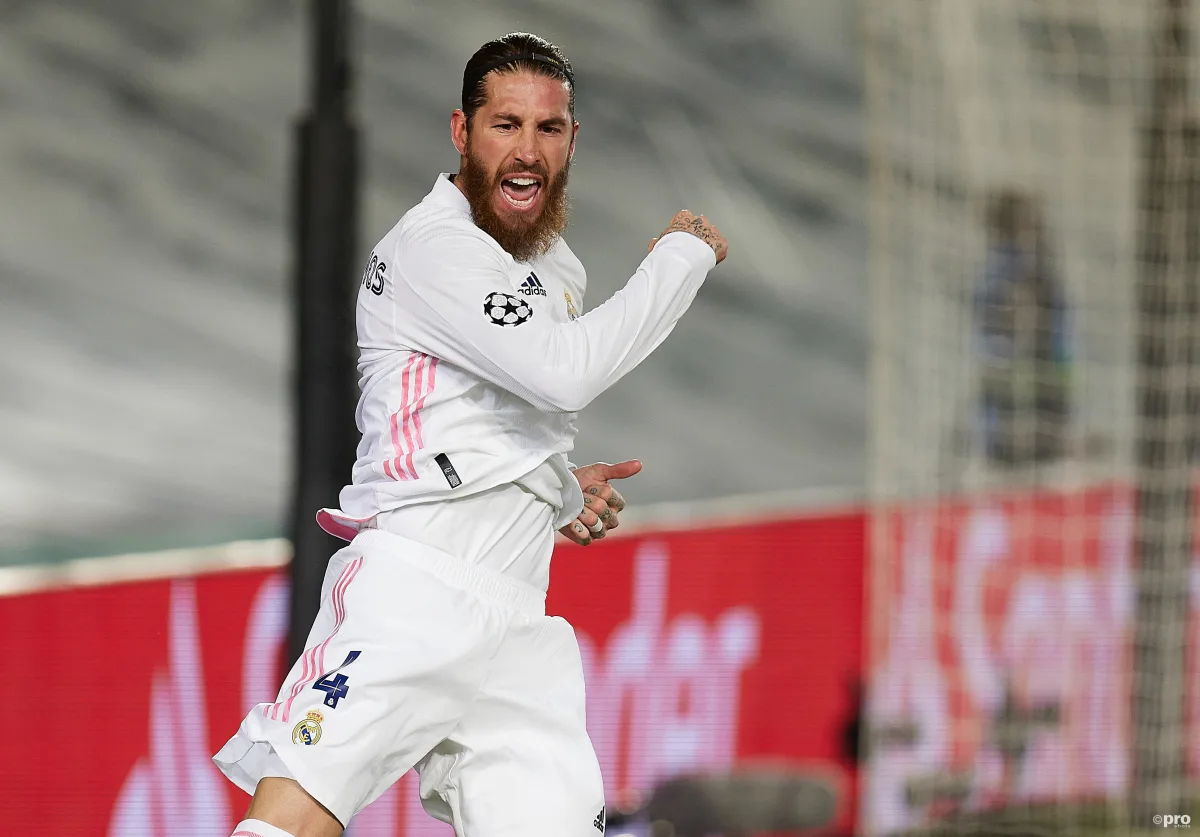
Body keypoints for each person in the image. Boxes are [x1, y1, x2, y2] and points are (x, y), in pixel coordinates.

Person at [213, 32, 728, 837]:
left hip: (518, 620)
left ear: (571, 140)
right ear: (462, 132)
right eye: (504, 125)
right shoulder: (435, 249)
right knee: (294, 820)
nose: (526, 151)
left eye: (547, 129)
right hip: (415, 591)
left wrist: (553, 488)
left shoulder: (554, 266)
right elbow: (563, 374)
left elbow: (498, 412)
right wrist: (677, 260)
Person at [974, 190, 1071, 468]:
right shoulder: (998, 270)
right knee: (1002, 389)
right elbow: (988, 319)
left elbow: (1060, 317)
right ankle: (997, 448)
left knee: (1053, 385)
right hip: (1008, 357)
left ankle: (1047, 446)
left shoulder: (1043, 267)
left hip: (1045, 357)